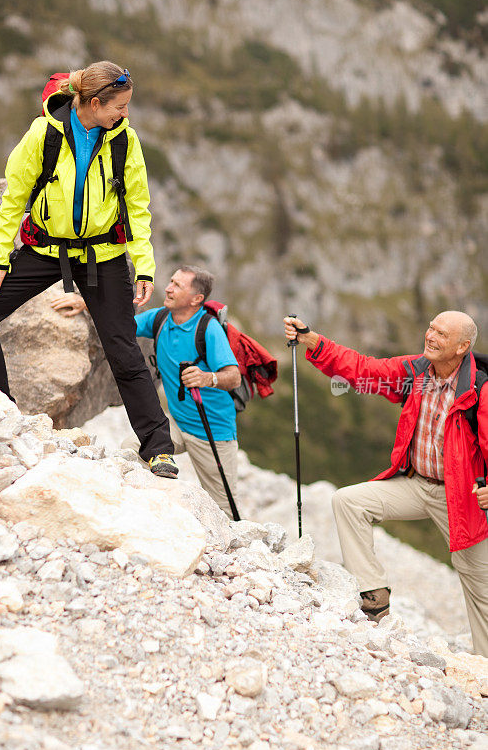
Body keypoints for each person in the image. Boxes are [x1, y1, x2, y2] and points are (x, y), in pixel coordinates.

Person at [0, 61, 177, 479]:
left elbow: (138, 207)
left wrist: (145, 267)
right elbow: (14, 197)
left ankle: (158, 449)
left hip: (104, 255)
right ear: (95, 103)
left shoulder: (124, 141)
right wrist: (1, 258)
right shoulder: (43, 134)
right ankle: (3, 411)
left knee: (124, 349)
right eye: (121, 107)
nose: (126, 115)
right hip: (45, 249)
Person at [284, 311, 488, 657]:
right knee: (349, 501)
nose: (430, 336)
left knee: (480, 586)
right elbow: (365, 370)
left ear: (462, 346)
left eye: (441, 333)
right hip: (414, 484)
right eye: (430, 328)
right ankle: (374, 595)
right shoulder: (417, 375)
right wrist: (314, 341)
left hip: (461, 498)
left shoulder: (478, 389)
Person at [51, 266, 242, 517]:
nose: (168, 287)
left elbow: (234, 377)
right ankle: (145, 514)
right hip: (174, 422)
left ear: (196, 299)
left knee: (225, 509)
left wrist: (208, 377)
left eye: (177, 285)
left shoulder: (209, 329)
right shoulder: (161, 318)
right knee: (131, 451)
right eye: (171, 281)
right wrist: (85, 302)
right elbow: (121, 321)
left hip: (212, 431)